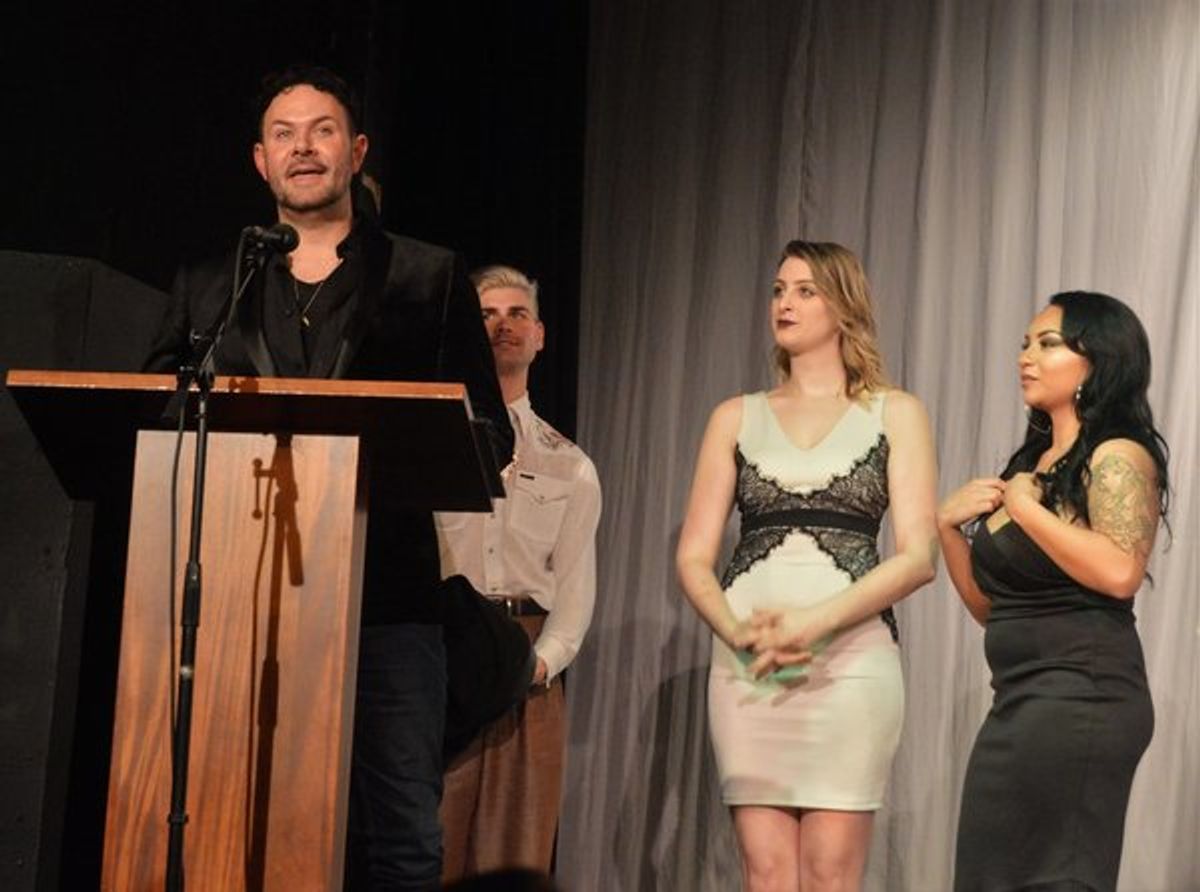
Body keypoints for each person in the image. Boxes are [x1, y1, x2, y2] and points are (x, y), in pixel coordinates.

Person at [143, 65, 513, 890]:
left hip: (389, 594)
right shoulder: (210, 285)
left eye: (321, 130)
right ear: (260, 161)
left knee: (403, 835)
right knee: (232, 817)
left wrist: (408, 451)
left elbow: (488, 429)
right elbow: (151, 414)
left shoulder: (427, 274)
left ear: (356, 150)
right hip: (239, 596)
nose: (302, 148)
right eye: (284, 134)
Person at [676, 241, 938, 892]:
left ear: (843, 305)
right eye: (777, 290)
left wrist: (813, 624)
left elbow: (918, 556)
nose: (784, 303)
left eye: (804, 290)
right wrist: (736, 633)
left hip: (850, 667)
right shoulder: (735, 416)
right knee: (765, 875)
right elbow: (693, 556)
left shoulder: (895, 413)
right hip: (749, 664)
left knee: (828, 874)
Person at [937, 291, 1167, 891]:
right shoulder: (1032, 465)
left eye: (1047, 344)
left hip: (1082, 699)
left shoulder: (1117, 455)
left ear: (1098, 359)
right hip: (1018, 703)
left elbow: (1119, 571)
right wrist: (947, 530)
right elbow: (992, 611)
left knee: (1057, 878)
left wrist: (1025, 510)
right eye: (1023, 344)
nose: (1026, 357)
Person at [435, 265, 602, 881]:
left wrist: (538, 665)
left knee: (515, 857)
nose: (502, 325)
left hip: (524, 671)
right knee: (428, 845)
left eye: (517, 315)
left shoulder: (571, 464)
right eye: (486, 314)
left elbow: (577, 588)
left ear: (539, 337)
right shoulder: (433, 437)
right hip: (443, 663)